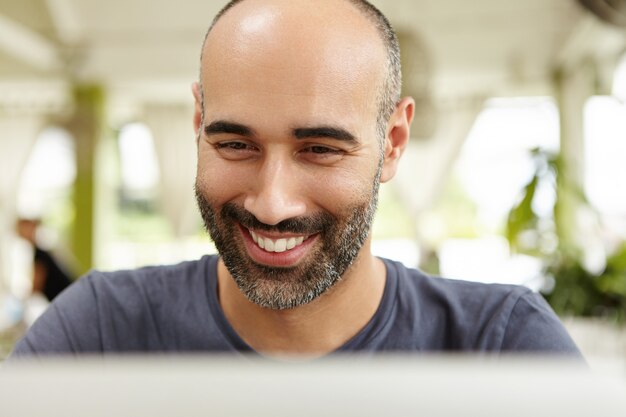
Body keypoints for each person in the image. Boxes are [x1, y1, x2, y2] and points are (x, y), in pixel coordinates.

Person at [10, 0, 581, 358]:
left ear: (393, 144)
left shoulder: (503, 347)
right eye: (235, 144)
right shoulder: (99, 334)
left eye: (320, 149)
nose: (273, 202)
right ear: (196, 123)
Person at [15, 218, 73, 302]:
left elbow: (37, 284)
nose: (19, 232)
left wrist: (21, 300)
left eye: (22, 228)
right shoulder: (38, 252)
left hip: (67, 297)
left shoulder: (40, 253)